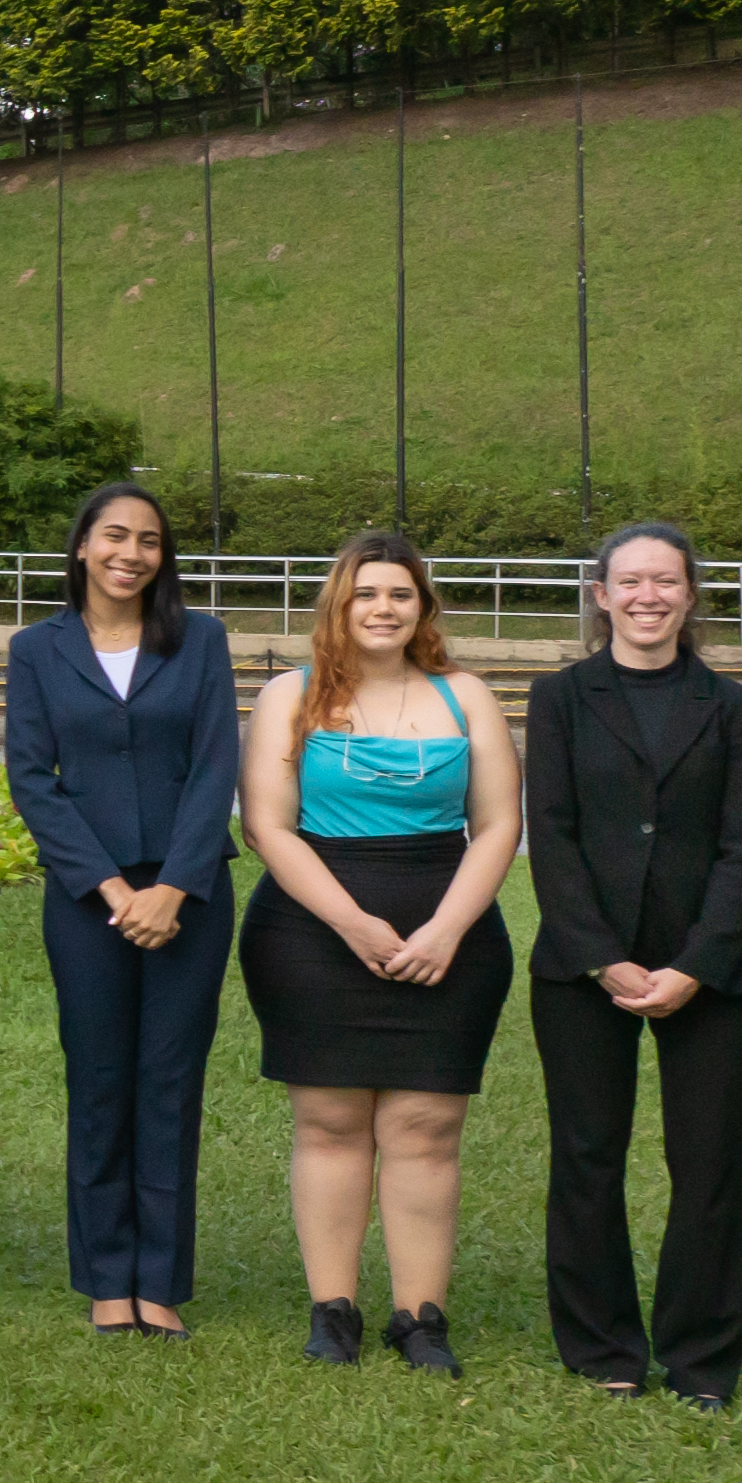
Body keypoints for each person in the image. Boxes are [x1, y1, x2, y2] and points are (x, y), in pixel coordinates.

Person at [240, 530, 521, 1379]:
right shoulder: (289, 698)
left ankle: (419, 1318)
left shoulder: (466, 695)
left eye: (400, 594)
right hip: (311, 933)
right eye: (366, 594)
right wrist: (354, 924)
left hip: (449, 932)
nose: (383, 608)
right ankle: (335, 1310)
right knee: (329, 1123)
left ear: (422, 609)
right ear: (339, 604)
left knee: (426, 1127)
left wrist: (446, 930)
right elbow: (267, 826)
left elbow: (500, 823)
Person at [524, 522, 742, 1410]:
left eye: (665, 582)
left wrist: (695, 966)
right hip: (584, 970)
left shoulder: (736, 708)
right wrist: (602, 961)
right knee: (588, 1156)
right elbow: (547, 836)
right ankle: (603, 1350)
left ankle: (700, 1362)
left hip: (716, 974)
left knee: (707, 1166)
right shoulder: (558, 699)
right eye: (629, 582)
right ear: (601, 597)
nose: (647, 597)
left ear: (691, 595)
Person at [5, 480, 240, 1337]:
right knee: (100, 1080)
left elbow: (217, 767)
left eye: (148, 540)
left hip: (191, 894)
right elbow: (33, 779)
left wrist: (172, 888)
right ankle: (107, 1275)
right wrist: (112, 890)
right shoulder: (37, 650)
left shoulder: (200, 641)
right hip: (88, 900)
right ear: (81, 547)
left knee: (169, 1084)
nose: (130, 553)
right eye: (113, 536)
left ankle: (161, 1281)